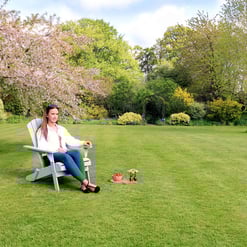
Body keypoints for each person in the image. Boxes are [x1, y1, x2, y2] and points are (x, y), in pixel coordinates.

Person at [37, 104, 100, 193]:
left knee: (76, 153)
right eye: (52, 114)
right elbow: (41, 146)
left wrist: (83, 142)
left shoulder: (61, 129)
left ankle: (83, 185)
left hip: (63, 153)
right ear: (47, 115)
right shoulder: (42, 130)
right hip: (51, 155)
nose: (55, 116)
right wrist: (56, 149)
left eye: (56, 114)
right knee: (67, 157)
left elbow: (70, 140)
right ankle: (86, 182)